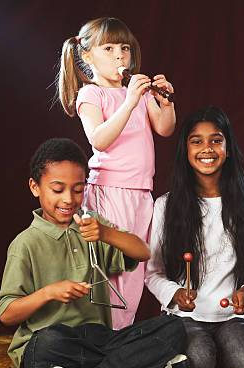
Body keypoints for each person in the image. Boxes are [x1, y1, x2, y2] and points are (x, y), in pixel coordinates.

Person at [0, 138, 187, 368]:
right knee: (45, 345)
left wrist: (105, 233)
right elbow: (7, 313)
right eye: (57, 189)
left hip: (97, 337)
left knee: (174, 328)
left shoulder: (90, 225)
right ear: (35, 187)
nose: (68, 199)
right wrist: (49, 292)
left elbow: (142, 252)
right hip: (54, 343)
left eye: (77, 189)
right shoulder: (25, 244)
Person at [57, 17, 176, 329]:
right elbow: (99, 139)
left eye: (124, 48)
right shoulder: (91, 95)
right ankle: (105, 337)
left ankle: (121, 337)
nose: (119, 56)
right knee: (111, 271)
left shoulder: (139, 92)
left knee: (136, 269)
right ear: (87, 56)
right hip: (110, 192)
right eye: (108, 48)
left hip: (140, 193)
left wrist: (165, 102)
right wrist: (130, 101)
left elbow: (165, 128)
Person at [145, 106, 244, 368]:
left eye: (216, 140)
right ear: (186, 150)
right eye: (197, 141)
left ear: (228, 149)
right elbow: (153, 272)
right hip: (185, 317)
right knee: (199, 360)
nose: (207, 149)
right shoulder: (165, 205)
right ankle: (214, 349)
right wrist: (174, 294)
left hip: (235, 317)